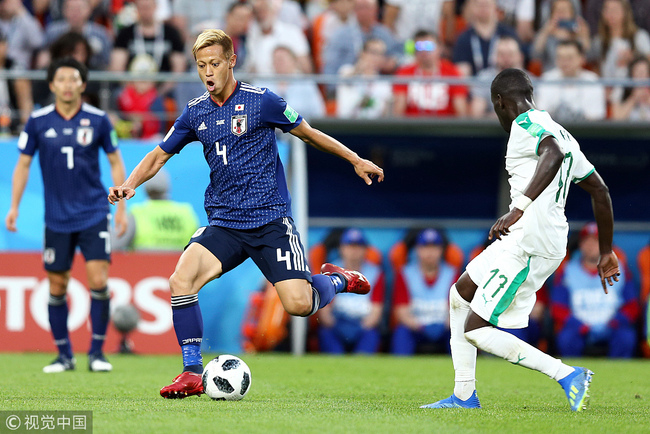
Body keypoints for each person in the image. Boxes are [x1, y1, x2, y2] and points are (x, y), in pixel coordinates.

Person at [107, 29, 384, 399]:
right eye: (201, 65)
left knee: (299, 305)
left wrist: (355, 159)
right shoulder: (195, 112)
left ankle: (337, 280)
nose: (208, 72)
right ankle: (191, 372)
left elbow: (309, 133)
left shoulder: (262, 101)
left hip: (270, 223)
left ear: (232, 61)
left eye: (215, 64)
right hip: (225, 224)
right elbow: (159, 154)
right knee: (180, 282)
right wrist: (130, 183)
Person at [420, 68, 619, 412]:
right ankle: (464, 396)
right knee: (460, 294)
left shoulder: (526, 127)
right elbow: (599, 190)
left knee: (476, 330)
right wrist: (606, 251)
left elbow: (552, 154)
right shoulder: (562, 131)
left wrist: (517, 209)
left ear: (499, 102)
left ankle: (567, 374)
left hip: (531, 243)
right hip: (528, 239)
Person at [5, 57, 127, 373]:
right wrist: (14, 206)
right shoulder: (38, 121)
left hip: (93, 212)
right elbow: (22, 165)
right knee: (57, 285)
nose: (68, 85)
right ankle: (64, 356)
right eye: (62, 79)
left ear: (83, 85)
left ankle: (97, 354)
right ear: (52, 85)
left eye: (74, 79)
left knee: (99, 279)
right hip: (56, 218)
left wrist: (122, 205)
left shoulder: (99, 120)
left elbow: (115, 162)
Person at [551, 222, 640, 358]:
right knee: (566, 338)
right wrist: (578, 325)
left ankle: (618, 374)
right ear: (580, 245)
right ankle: (574, 375)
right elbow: (557, 307)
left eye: (596, 241)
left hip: (612, 325)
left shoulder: (620, 269)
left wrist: (616, 322)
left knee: (626, 337)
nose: (591, 246)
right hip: (578, 326)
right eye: (586, 241)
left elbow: (632, 305)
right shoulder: (567, 271)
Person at [391, 228, 459, 355]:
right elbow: (401, 312)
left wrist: (443, 326)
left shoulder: (452, 273)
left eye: (434, 247)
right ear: (417, 249)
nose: (430, 252)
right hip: (416, 328)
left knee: (459, 332)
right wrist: (421, 327)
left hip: (444, 328)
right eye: (425, 247)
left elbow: (458, 311)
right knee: (401, 332)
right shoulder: (405, 273)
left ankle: (462, 373)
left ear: (441, 250)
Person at [317, 228, 385, 354]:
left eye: (358, 246)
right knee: (326, 335)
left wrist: (360, 328)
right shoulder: (330, 271)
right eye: (349, 246)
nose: (354, 251)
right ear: (341, 248)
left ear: (365, 250)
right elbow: (324, 313)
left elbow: (376, 313)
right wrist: (337, 327)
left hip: (363, 326)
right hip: (337, 324)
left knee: (369, 340)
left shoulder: (375, 273)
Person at [113, 169, 200, 251]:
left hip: (144, 266)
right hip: (180, 265)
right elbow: (197, 247)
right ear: (167, 187)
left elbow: (115, 245)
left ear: (146, 189)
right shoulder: (187, 213)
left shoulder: (137, 213)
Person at [393, 30, 468, 117]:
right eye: (419, 47)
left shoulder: (452, 72)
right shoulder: (404, 73)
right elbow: (398, 111)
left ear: (440, 48)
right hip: (412, 127)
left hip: (444, 126)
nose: (424, 51)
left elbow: (461, 111)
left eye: (428, 46)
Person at [535, 40, 606, 122]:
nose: (564, 62)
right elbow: (542, 114)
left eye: (569, 58)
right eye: (560, 57)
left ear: (582, 59)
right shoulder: (547, 80)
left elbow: (596, 116)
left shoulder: (593, 81)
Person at [452, 0, 519, 77]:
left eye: (487, 4)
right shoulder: (463, 38)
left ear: (495, 6)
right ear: (472, 7)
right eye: (479, 5)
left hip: (505, 83)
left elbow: (517, 64)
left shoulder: (508, 34)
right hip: (476, 86)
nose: (483, 8)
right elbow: (462, 73)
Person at [589, 0, 650, 80]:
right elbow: (589, 61)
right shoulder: (599, 40)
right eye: (607, 9)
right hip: (608, 86)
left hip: (631, 86)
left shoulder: (638, 36)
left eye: (615, 10)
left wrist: (634, 57)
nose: (611, 14)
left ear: (625, 12)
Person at [470, 35, 525, 119]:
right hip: (491, 129)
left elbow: (537, 114)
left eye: (510, 54)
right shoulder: (483, 79)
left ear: (519, 56)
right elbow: (476, 114)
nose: (506, 59)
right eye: (501, 54)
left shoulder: (530, 80)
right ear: (494, 56)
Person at [336, 38, 393, 119]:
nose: (377, 57)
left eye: (381, 54)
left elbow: (385, 114)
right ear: (362, 53)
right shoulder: (346, 70)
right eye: (374, 52)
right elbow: (347, 79)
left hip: (373, 127)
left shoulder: (384, 83)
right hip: (347, 125)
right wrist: (358, 69)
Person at [532, 0, 591, 73]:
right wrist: (545, 32)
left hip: (575, 78)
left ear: (572, 14)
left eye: (565, 10)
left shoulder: (578, 35)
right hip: (551, 78)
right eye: (558, 10)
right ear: (552, 14)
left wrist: (584, 36)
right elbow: (534, 55)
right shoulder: (546, 36)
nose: (561, 14)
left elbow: (589, 57)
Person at [611, 55, 650, 121]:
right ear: (631, 73)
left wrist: (647, 100)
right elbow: (616, 118)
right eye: (637, 71)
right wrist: (633, 98)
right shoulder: (621, 88)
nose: (640, 76)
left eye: (643, 72)